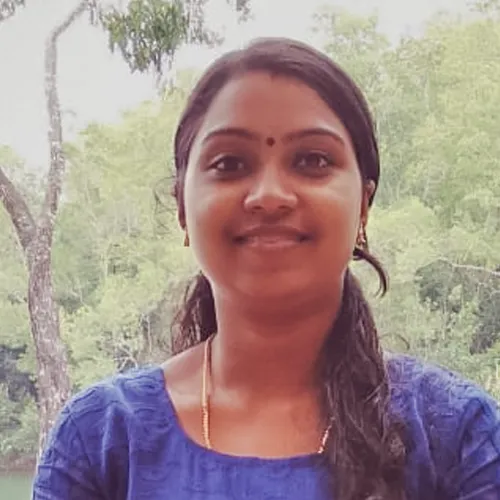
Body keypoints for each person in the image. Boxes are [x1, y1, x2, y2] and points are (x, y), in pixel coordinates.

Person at [32, 37, 500, 500]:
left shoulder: (459, 437)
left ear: (363, 205)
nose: (270, 195)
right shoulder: (101, 439)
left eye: (312, 160)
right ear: (182, 208)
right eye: (230, 163)